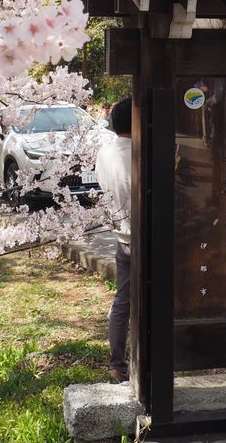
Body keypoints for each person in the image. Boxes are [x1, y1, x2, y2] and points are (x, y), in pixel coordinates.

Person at [95, 96, 132, 383]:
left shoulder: (104, 153)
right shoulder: (141, 153)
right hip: (147, 239)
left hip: (123, 238)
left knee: (123, 301)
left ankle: (118, 363)